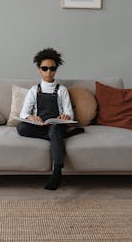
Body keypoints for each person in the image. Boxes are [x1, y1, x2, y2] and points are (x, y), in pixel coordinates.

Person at [17, 48, 84, 190]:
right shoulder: (34, 90)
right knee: (21, 128)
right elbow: (23, 113)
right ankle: (59, 137)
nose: (48, 72)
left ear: (56, 70)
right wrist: (31, 117)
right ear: (39, 70)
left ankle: (57, 171)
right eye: (45, 68)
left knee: (54, 129)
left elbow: (69, 113)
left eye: (52, 69)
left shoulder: (61, 90)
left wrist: (65, 116)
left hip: (56, 124)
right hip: (40, 125)